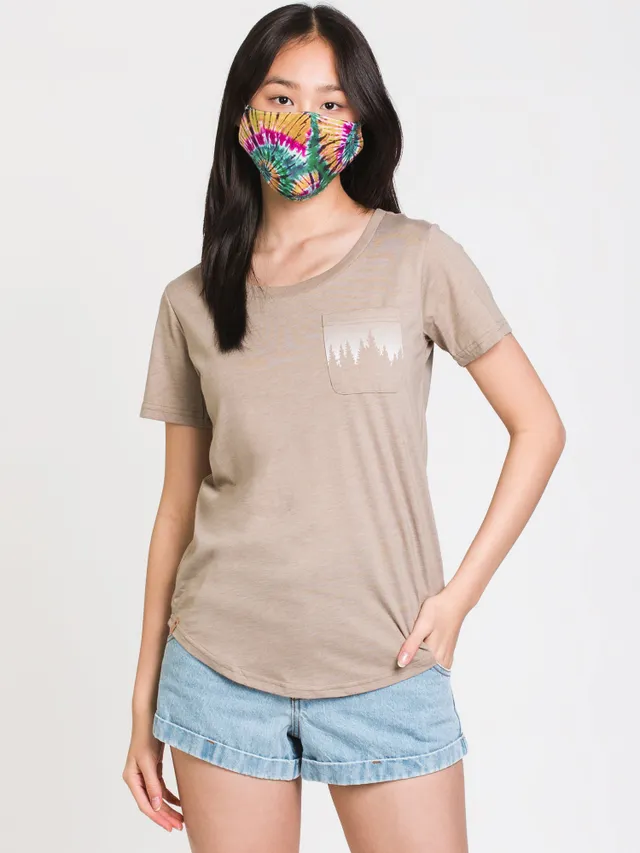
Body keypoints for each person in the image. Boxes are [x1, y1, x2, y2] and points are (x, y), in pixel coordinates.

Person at [122, 4, 566, 851]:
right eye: (282, 97)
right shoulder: (191, 301)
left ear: (360, 120)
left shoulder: (418, 258)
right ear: (243, 114)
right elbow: (176, 508)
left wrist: (460, 598)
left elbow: (538, 426)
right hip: (219, 672)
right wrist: (143, 703)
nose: (306, 120)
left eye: (331, 102)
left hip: (385, 666)